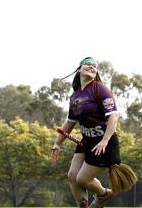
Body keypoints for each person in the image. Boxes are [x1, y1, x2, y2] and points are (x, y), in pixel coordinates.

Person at [51, 57, 120, 208]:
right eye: (88, 64)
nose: (92, 67)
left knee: (82, 179)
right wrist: (57, 143)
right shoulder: (75, 96)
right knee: (72, 176)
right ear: (79, 69)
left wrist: (105, 140)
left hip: (104, 143)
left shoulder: (100, 89)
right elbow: (70, 123)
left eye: (95, 66)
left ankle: (103, 194)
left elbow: (114, 116)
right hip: (86, 142)